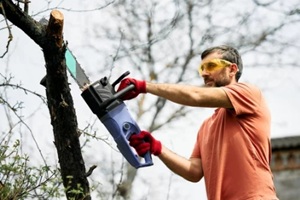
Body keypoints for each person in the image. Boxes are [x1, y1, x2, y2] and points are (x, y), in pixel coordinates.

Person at [117, 45, 278, 200]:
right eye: (202, 69)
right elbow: (193, 171)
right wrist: (157, 148)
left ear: (232, 69)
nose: (204, 73)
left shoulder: (249, 94)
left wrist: (143, 86)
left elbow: (196, 96)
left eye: (211, 66)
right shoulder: (206, 126)